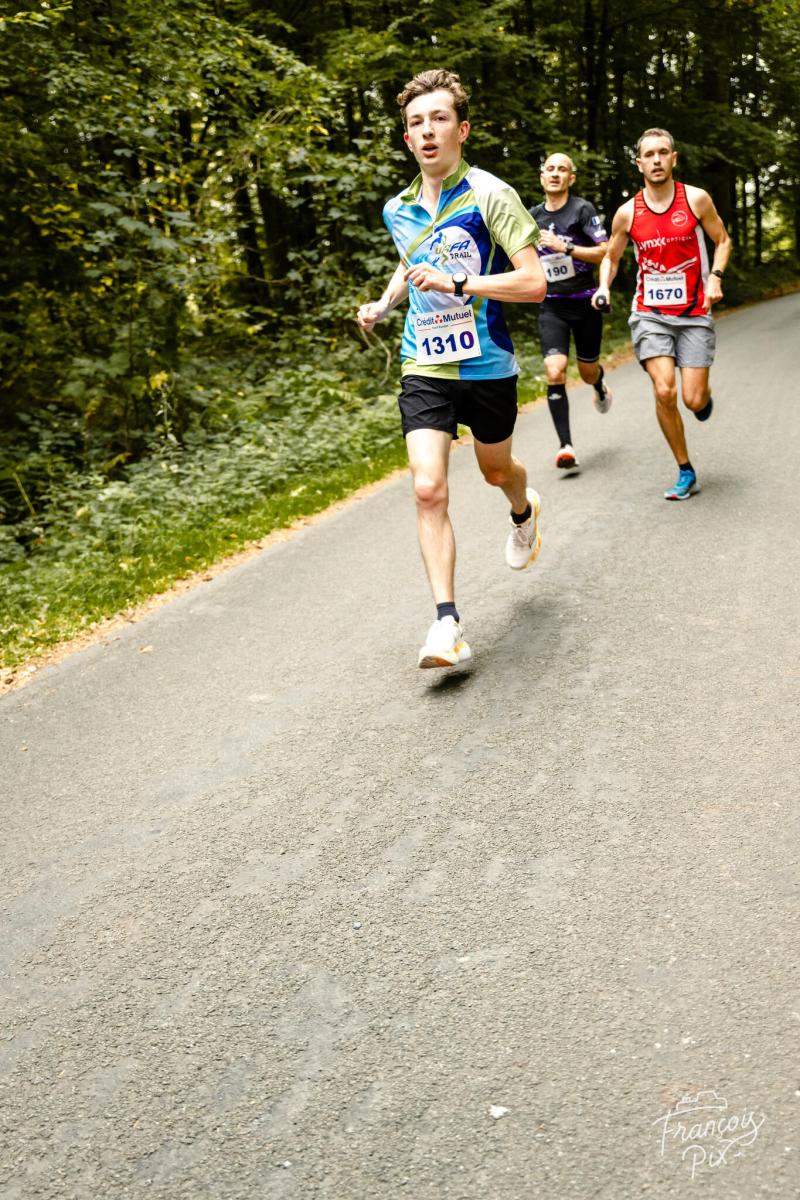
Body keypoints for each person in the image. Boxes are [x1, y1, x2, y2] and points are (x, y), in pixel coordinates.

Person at [357, 69, 547, 669]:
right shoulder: (397, 208)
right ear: (407, 138)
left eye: (439, 119)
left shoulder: (491, 195)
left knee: (496, 471)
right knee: (427, 488)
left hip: (487, 364)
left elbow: (534, 283)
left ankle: (524, 509)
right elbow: (413, 260)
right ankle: (447, 625)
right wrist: (386, 302)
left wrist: (460, 283)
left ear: (461, 130)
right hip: (425, 362)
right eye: (416, 122)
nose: (427, 130)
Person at [593, 128, 731, 499]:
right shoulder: (628, 213)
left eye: (663, 152)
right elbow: (611, 257)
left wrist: (715, 278)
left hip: (694, 312)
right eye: (649, 155)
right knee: (664, 389)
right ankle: (685, 470)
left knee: (692, 399)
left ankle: (703, 397)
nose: (656, 160)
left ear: (673, 158)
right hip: (650, 313)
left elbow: (722, 240)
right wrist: (604, 286)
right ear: (639, 164)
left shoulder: (695, 200)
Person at [530, 152, 613, 473]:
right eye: (549, 169)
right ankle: (565, 446)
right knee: (555, 371)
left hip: (585, 302)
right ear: (542, 177)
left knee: (588, 371)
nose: (555, 174)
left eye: (562, 169)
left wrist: (564, 247)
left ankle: (599, 385)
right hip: (552, 305)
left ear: (571, 178)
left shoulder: (582, 210)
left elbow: (604, 252)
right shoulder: (532, 217)